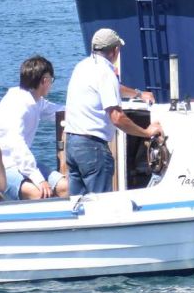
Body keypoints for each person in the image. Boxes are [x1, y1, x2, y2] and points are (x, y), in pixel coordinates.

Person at [64, 28, 163, 197]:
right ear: (115, 50)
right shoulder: (106, 73)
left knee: (78, 206)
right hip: (92, 149)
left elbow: (112, 88)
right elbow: (117, 117)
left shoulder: (82, 67)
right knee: (101, 205)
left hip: (72, 144)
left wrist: (138, 94)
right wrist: (146, 132)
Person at [0, 55, 66, 200]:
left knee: (66, 187)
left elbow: (56, 111)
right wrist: (39, 179)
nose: (51, 84)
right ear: (45, 81)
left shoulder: (34, 100)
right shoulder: (19, 104)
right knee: (38, 193)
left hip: (21, 164)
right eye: (52, 80)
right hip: (3, 166)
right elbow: (16, 144)